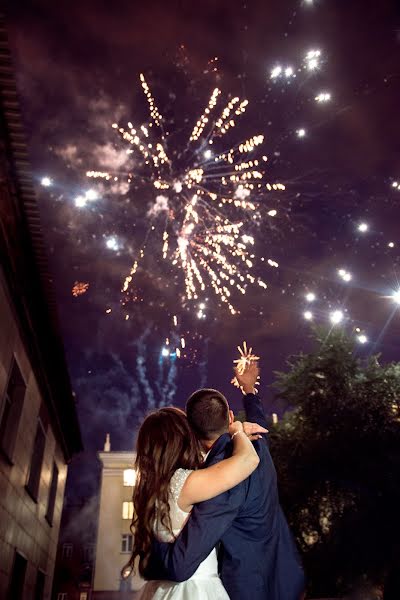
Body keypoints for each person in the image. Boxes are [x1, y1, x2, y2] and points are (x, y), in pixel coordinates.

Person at [144, 361, 305, 600]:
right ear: (229, 417)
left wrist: (150, 563)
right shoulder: (257, 444)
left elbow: (183, 560)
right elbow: (258, 421)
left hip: (244, 587)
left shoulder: (220, 477)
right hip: (282, 574)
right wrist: (249, 391)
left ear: (192, 433)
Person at [123, 405, 266, 599]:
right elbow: (248, 460)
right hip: (193, 590)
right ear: (180, 440)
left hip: (161, 589)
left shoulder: (153, 488)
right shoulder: (182, 483)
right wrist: (237, 431)